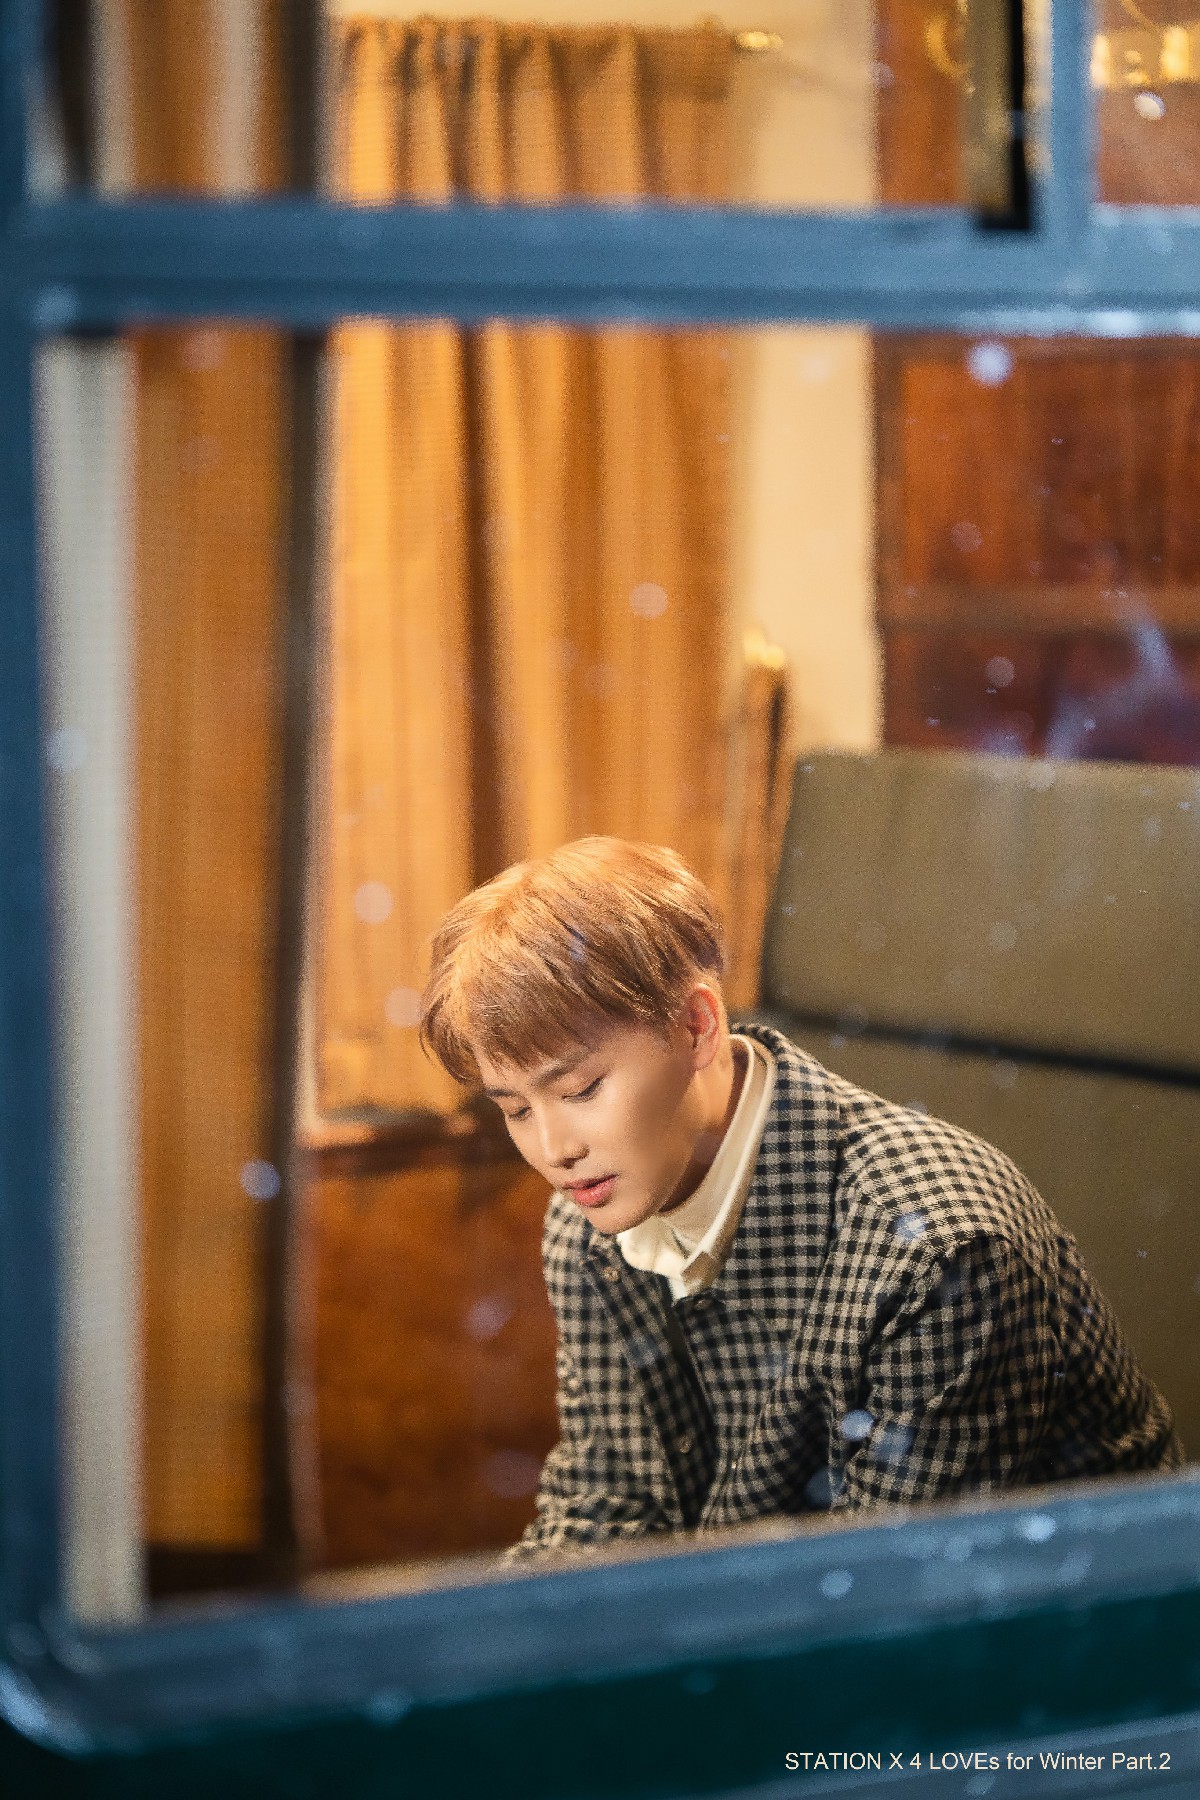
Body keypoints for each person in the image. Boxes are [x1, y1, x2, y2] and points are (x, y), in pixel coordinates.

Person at [418, 836, 1184, 1560]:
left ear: (697, 1027)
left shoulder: (937, 1253)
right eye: (514, 1109)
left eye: (581, 1088)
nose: (553, 1150)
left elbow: (884, 1597)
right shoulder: (585, 1223)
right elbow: (604, 1506)